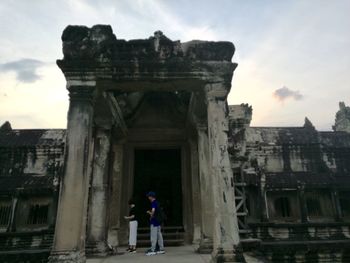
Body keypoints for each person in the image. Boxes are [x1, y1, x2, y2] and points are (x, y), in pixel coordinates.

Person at [145, 191, 165, 256]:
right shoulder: (157, 202)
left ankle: (153, 249)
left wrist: (149, 213)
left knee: (153, 236)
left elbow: (153, 211)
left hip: (154, 221)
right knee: (159, 235)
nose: (148, 197)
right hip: (158, 222)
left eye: (149, 196)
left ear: (151, 197)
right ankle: (161, 248)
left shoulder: (153, 203)